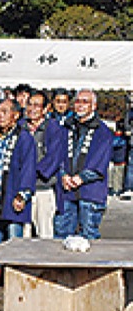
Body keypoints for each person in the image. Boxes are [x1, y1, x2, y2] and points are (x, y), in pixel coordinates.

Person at [0, 96, 36, 287]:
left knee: (14, 239)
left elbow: (28, 168)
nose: (0, 116)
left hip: (12, 193)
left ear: (15, 115)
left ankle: (13, 278)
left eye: (5, 112)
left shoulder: (24, 138)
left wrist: (23, 194)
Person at [57, 89, 114, 241]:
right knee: (62, 238)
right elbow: (58, 154)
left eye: (85, 102)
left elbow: (100, 162)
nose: (80, 105)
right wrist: (63, 175)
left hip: (90, 193)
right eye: (77, 101)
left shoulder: (103, 132)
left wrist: (81, 178)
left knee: (89, 238)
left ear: (93, 106)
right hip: (67, 191)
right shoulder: (66, 127)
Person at [25, 89, 67, 240]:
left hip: (43, 187)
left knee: (45, 234)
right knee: (24, 236)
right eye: (30, 104)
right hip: (23, 190)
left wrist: (30, 173)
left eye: (37, 105)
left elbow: (54, 157)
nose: (32, 109)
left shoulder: (53, 128)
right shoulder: (21, 127)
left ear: (45, 109)